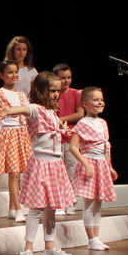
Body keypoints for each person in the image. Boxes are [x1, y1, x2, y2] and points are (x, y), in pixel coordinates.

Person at [0, 71, 76, 255]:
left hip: (56, 164)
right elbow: (25, 110)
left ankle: (49, 246)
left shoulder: (52, 113)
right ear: (41, 91)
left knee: (51, 207)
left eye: (58, 91)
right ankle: (28, 248)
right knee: (36, 208)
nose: (56, 94)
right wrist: (9, 111)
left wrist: (63, 128)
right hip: (41, 163)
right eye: (52, 91)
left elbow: (57, 125)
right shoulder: (35, 109)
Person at [69, 87, 118, 251]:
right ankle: (91, 239)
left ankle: (96, 237)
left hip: (101, 165)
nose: (100, 103)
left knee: (98, 202)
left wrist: (109, 167)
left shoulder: (103, 123)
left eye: (101, 99)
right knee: (89, 203)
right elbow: (73, 147)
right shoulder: (82, 124)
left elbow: (106, 147)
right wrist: (86, 164)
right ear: (85, 104)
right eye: (96, 100)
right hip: (90, 163)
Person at [0, 59, 32, 223]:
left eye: (16, 71)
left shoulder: (21, 94)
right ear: (1, 75)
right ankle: (18, 209)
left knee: (20, 173)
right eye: (10, 72)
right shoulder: (0, 94)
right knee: (14, 174)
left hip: (22, 134)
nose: (14, 75)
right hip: (9, 134)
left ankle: (12, 208)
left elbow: (28, 114)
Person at [53, 63, 85, 215]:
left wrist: (61, 119)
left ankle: (71, 201)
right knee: (59, 172)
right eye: (62, 78)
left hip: (71, 138)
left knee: (72, 170)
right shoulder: (53, 94)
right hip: (56, 138)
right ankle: (60, 202)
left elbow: (80, 114)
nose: (66, 81)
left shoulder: (76, 94)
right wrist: (57, 123)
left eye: (69, 77)